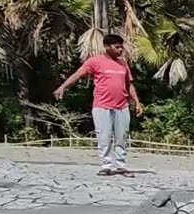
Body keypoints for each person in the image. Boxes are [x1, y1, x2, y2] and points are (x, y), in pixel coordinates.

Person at [54, 34, 144, 176]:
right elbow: (77, 74)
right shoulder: (95, 61)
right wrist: (62, 87)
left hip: (122, 106)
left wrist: (137, 103)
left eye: (121, 47)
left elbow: (129, 85)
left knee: (122, 136)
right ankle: (106, 165)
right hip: (102, 106)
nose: (120, 50)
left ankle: (121, 166)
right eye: (116, 47)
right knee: (104, 136)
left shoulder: (123, 64)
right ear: (107, 47)